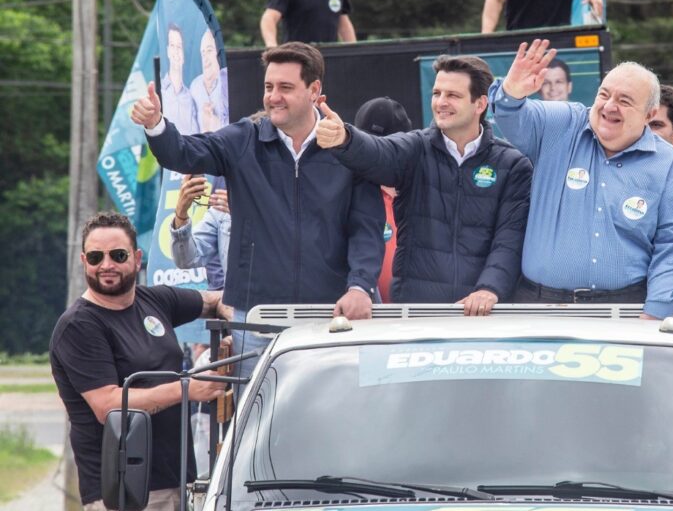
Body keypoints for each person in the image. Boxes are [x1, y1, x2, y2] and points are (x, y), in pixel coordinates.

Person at [130, 41, 384, 373]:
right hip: (255, 320)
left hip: (328, 317)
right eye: (268, 86)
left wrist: (360, 286)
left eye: (285, 87)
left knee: (330, 417)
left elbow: (365, 228)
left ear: (314, 89)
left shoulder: (346, 148)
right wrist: (156, 124)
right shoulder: (242, 140)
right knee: (259, 422)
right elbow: (183, 152)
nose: (273, 96)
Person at [49, 212, 229, 511]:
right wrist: (194, 386)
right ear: (85, 262)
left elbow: (213, 301)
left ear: (138, 258)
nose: (106, 264)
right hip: (125, 496)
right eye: (95, 257)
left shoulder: (154, 302)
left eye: (117, 255)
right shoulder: (79, 326)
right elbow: (110, 405)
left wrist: (234, 315)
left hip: (179, 484)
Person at [488, 39, 673, 319]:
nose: (610, 106)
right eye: (604, 94)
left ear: (649, 115)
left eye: (624, 101)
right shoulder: (563, 124)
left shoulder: (669, 165)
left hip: (625, 310)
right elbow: (513, 116)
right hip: (540, 305)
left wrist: (656, 312)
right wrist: (512, 92)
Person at [317, 55, 532, 312]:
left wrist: (489, 289)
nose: (441, 102)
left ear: (480, 104)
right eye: (436, 93)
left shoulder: (513, 165)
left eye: (453, 95)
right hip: (417, 314)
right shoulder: (415, 149)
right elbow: (378, 151)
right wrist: (345, 138)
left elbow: (509, 239)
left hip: (484, 314)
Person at [352, 96, 414, 302]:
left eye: (380, 147)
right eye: (366, 145)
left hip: (422, 319)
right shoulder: (353, 195)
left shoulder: (424, 192)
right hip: (367, 320)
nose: (371, 155)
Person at [171, 174, 230, 290]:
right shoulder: (221, 209)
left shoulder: (274, 198)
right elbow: (186, 260)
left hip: (271, 301)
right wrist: (181, 213)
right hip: (233, 300)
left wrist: (246, 215)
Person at [160, 23, 199, 135]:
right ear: (167, 51)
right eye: (172, 45)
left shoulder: (191, 98)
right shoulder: (158, 93)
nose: (176, 51)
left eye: (179, 46)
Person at [190, 29, 229, 132]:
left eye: (209, 51)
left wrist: (218, 125)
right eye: (203, 53)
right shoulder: (195, 86)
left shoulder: (229, 83)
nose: (205, 58)